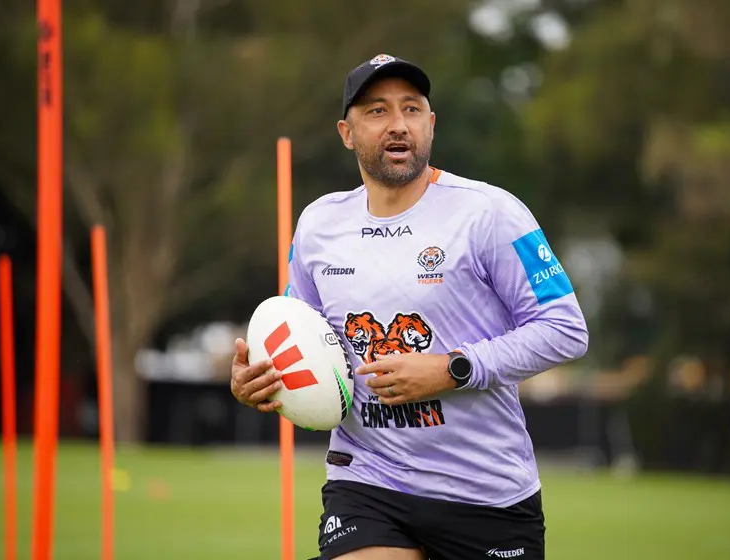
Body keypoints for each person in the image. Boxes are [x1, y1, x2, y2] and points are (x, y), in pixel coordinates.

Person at [230, 54, 589, 560]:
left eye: (412, 109)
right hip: (368, 480)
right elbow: (303, 340)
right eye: (377, 111)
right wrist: (261, 379)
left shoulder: (490, 213)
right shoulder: (318, 225)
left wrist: (452, 369)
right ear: (347, 133)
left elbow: (565, 329)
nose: (398, 124)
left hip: (485, 493)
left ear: (431, 124)